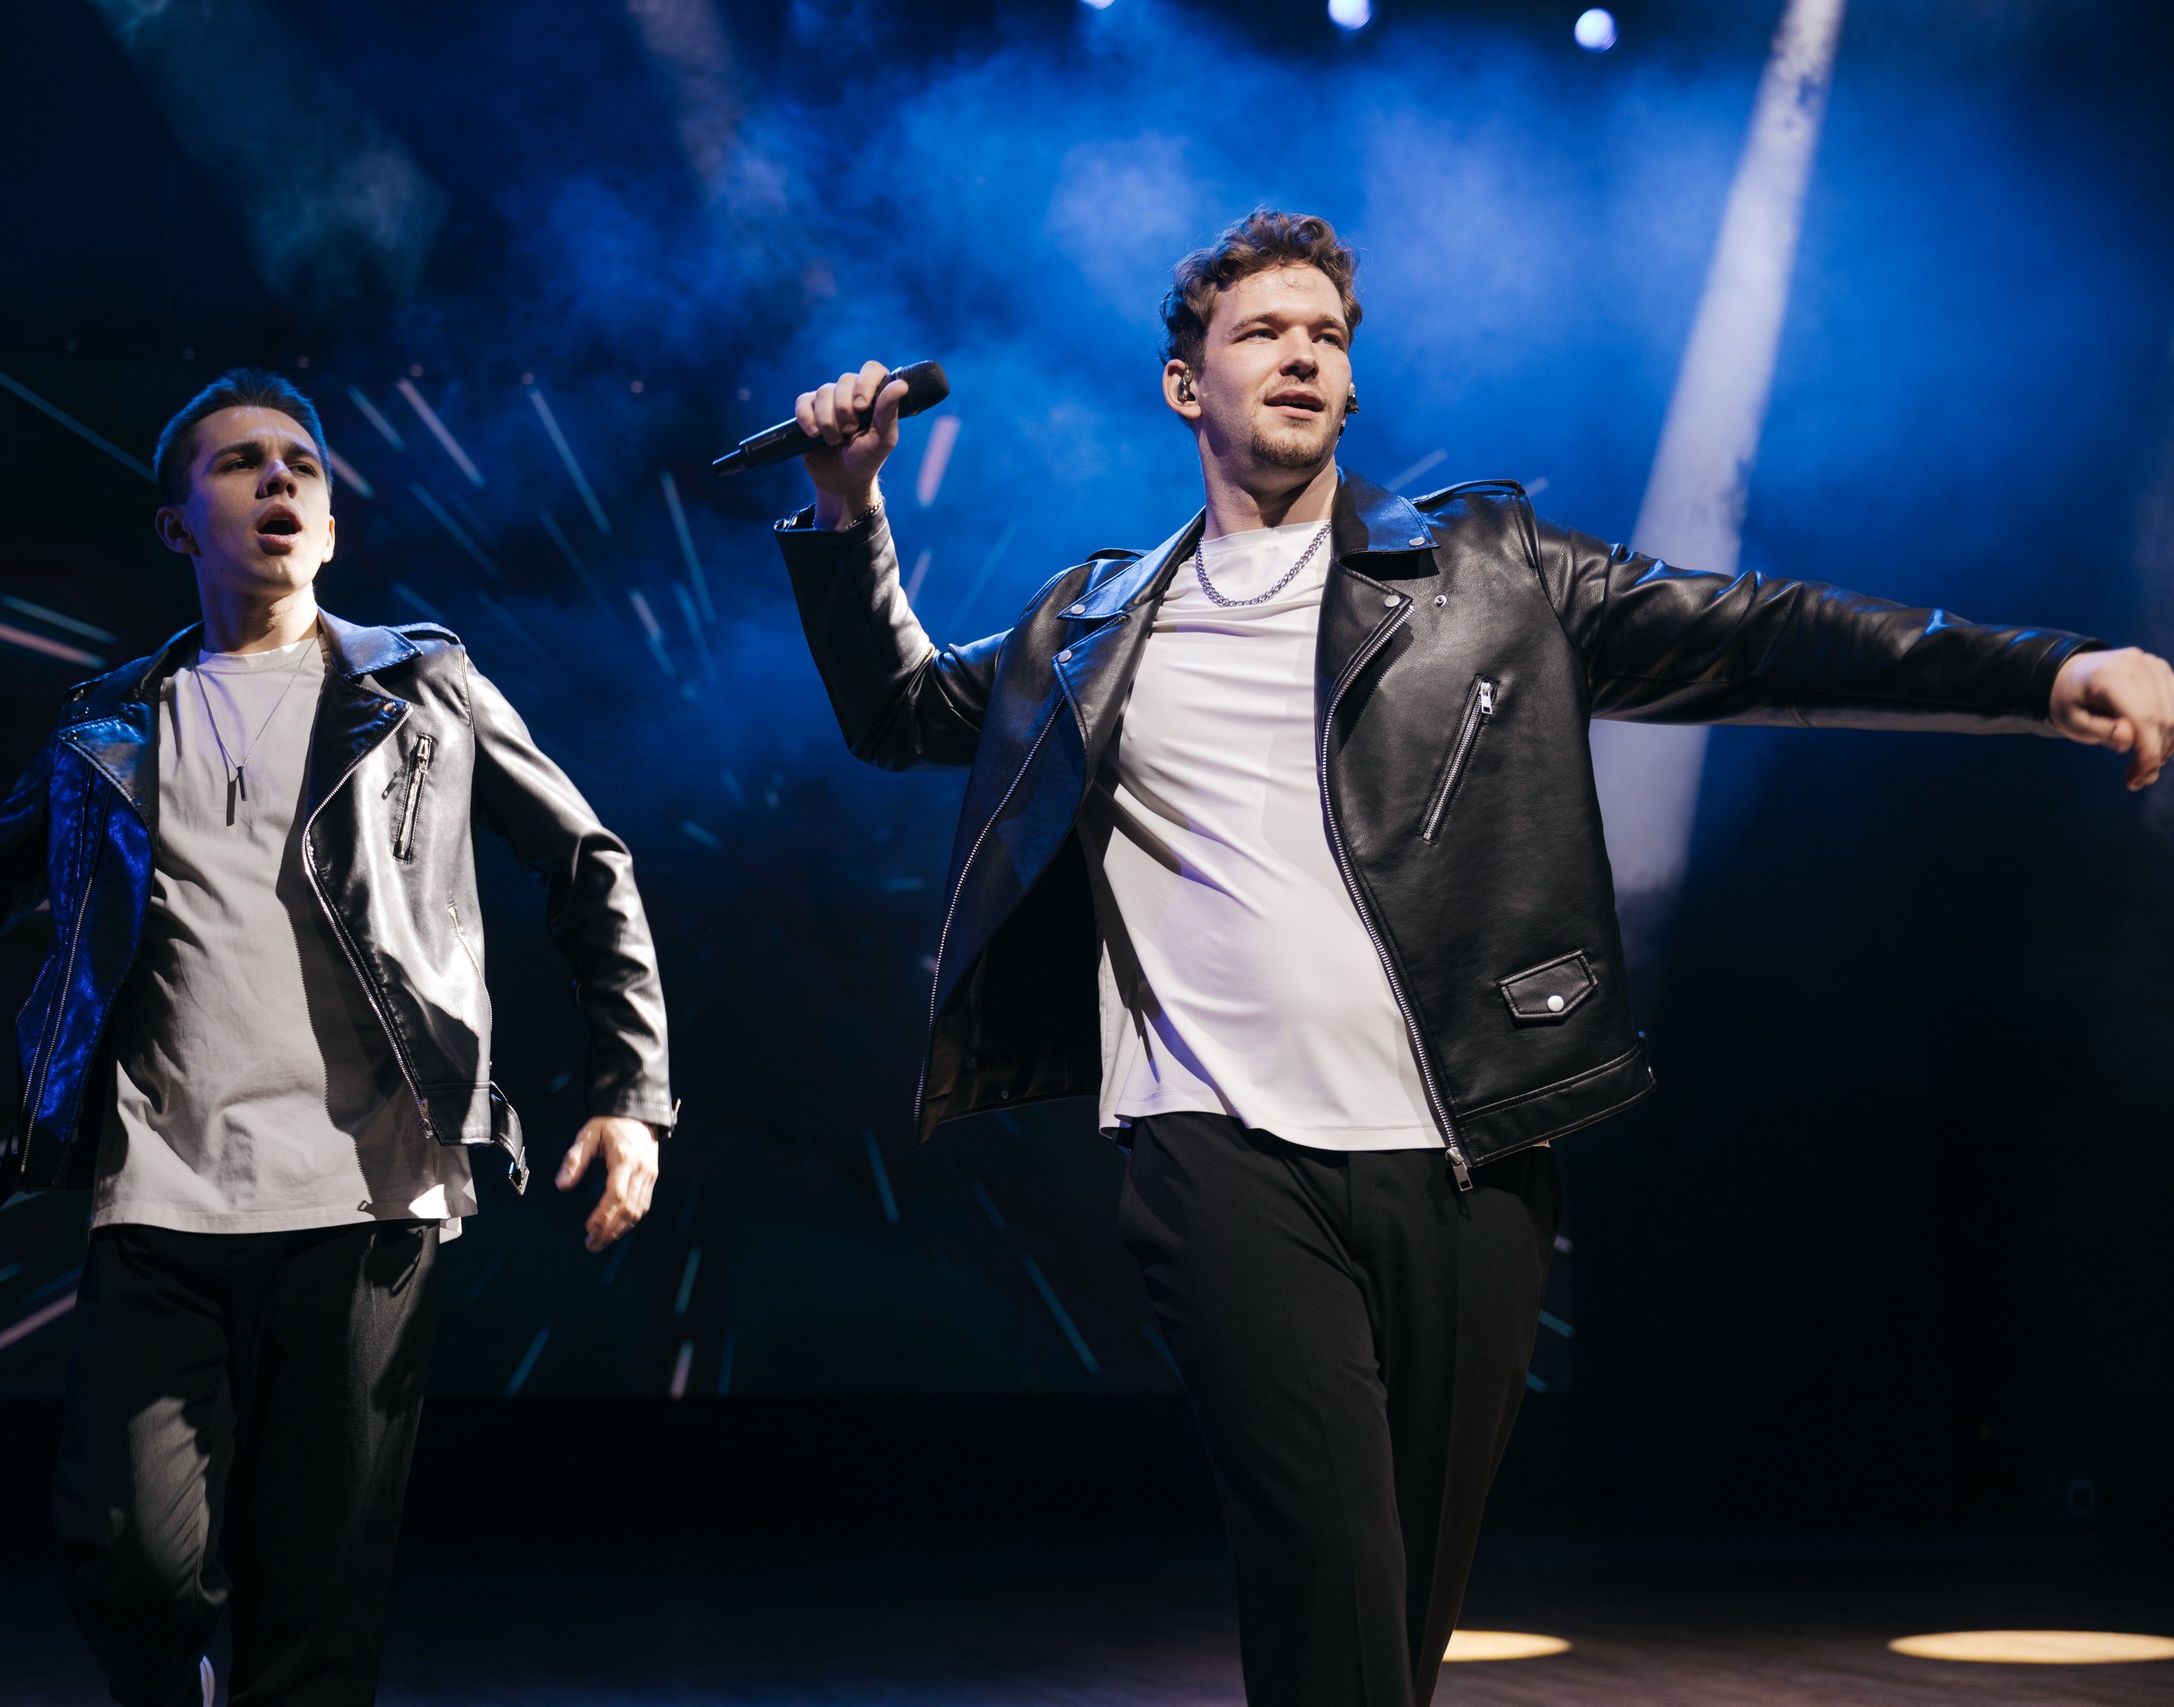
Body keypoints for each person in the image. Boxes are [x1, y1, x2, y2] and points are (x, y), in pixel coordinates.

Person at [770, 210, 2173, 1706]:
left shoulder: (1490, 568)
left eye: (1327, 336)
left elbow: (1758, 634)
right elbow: (900, 713)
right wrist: (849, 507)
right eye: (1263, 332)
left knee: (1401, 1605)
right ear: (1186, 385)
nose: (1302, 356)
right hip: (1215, 1152)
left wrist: (2044, 671)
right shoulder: (1094, 623)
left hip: (1467, 1157)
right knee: (1328, 1562)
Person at [0, 368, 677, 1707]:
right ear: (176, 525)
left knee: (314, 1619)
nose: (278, 479)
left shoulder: (422, 684)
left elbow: (586, 862)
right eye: (239, 462)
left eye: (301, 466)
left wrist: (632, 1090)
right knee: (129, 1568)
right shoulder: (105, 725)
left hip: (368, 1199)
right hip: (162, 1199)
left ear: (330, 526)